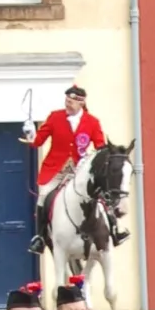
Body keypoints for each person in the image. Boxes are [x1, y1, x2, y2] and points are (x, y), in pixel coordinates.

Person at [24, 85, 112, 255]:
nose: (67, 105)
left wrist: (99, 159)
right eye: (66, 101)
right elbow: (38, 142)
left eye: (71, 102)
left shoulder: (92, 122)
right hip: (55, 170)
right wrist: (30, 134)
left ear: (81, 103)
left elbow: (100, 146)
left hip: (79, 170)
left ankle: (114, 231)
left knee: (101, 196)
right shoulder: (55, 117)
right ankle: (40, 237)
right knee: (43, 198)